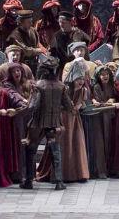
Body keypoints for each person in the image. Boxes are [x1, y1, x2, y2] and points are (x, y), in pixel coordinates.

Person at [20, 57, 74, 191]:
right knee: (55, 151)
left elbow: (33, 106)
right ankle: (59, 181)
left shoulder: (38, 86)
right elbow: (68, 106)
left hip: (38, 122)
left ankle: (28, 181)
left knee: (31, 150)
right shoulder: (61, 86)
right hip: (54, 122)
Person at [37, 60, 89, 184]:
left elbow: (83, 103)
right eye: (78, 78)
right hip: (63, 119)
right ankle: (61, 175)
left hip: (75, 121)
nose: (80, 81)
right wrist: (70, 107)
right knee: (63, 144)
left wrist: (80, 105)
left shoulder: (83, 91)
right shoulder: (64, 89)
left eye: (82, 78)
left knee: (76, 143)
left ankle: (78, 173)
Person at [85, 64, 117, 179]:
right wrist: (109, 103)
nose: (105, 76)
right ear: (98, 76)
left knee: (109, 142)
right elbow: (98, 102)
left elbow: (114, 96)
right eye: (102, 74)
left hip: (109, 117)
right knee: (100, 143)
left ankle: (110, 168)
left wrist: (112, 100)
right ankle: (100, 170)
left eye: (107, 74)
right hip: (99, 118)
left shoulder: (111, 86)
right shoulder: (97, 87)